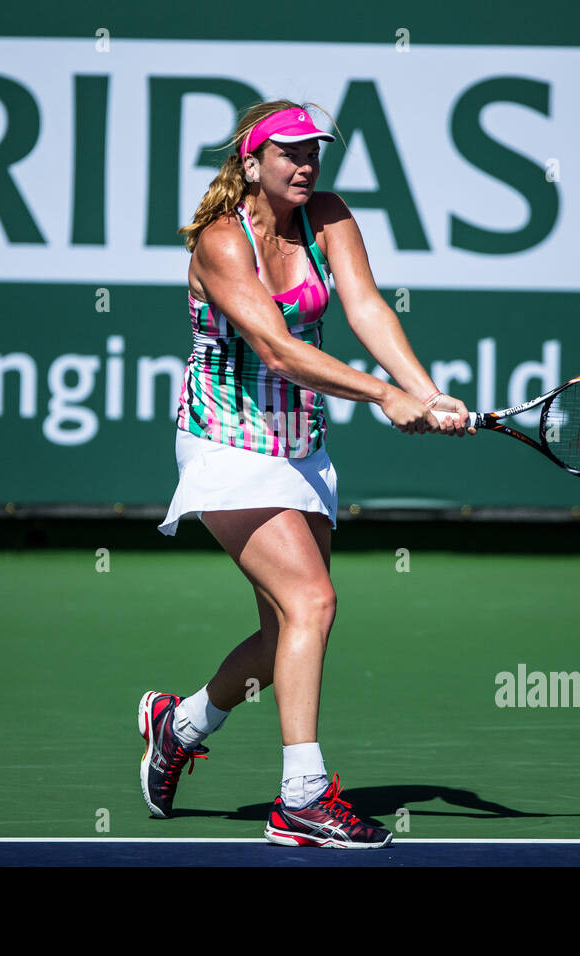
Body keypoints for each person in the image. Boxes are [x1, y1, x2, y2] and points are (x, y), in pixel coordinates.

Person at [142, 99, 474, 848]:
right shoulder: (222, 244)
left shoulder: (326, 217)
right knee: (314, 601)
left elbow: (364, 308)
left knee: (282, 635)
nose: (304, 165)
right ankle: (302, 797)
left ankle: (179, 723)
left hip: (301, 447)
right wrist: (384, 395)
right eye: (288, 152)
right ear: (250, 163)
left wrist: (421, 389)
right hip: (225, 445)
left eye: (313, 153)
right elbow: (282, 353)